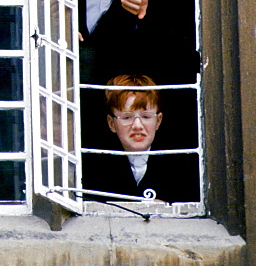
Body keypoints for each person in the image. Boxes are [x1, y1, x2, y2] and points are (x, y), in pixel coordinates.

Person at [82, 74, 199, 204]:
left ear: (158, 121)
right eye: (127, 117)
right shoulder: (94, 166)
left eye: (146, 116)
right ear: (111, 123)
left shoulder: (183, 165)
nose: (137, 126)